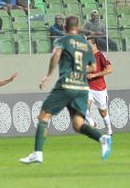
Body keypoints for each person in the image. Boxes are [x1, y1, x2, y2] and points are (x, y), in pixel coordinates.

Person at [19, 15, 112, 164]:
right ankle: (102, 138)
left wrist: (48, 75)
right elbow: (93, 67)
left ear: (64, 27)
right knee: (78, 124)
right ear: (78, 26)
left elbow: (56, 54)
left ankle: (38, 153)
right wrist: (80, 71)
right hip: (82, 88)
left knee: (43, 116)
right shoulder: (86, 44)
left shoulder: (62, 40)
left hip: (66, 84)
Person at [85, 37, 113, 136]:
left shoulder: (100, 55)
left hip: (100, 89)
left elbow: (110, 70)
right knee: (83, 107)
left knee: (103, 113)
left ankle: (109, 130)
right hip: (88, 88)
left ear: (94, 45)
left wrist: (94, 75)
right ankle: (92, 123)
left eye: (88, 44)